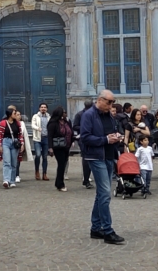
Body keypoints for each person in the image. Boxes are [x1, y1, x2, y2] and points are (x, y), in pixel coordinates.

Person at [79, 90, 126, 245]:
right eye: (109, 102)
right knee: (106, 194)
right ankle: (107, 230)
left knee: (101, 194)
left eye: (113, 102)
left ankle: (95, 228)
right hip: (96, 156)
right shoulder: (88, 115)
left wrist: (117, 136)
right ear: (100, 100)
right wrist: (105, 140)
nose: (111, 105)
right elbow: (85, 137)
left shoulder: (109, 115)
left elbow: (112, 131)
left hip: (108, 156)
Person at [47, 106, 73, 192]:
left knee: (64, 164)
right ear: (60, 114)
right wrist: (50, 148)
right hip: (58, 146)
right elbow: (50, 136)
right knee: (61, 164)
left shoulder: (67, 122)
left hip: (67, 146)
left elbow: (70, 132)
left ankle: (58, 182)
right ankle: (60, 184)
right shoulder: (53, 123)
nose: (65, 114)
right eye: (64, 112)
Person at [0, 106, 23, 189]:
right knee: (7, 162)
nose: (16, 115)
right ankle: (6, 180)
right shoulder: (3, 123)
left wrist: (22, 144)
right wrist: (0, 145)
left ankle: (12, 180)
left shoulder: (17, 123)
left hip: (15, 143)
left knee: (14, 163)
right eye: (14, 113)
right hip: (6, 142)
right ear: (10, 114)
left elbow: (20, 134)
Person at [73, 100, 93, 188]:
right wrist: (85, 128)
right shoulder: (79, 114)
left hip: (92, 138)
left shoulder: (94, 115)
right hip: (83, 138)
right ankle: (86, 180)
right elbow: (75, 126)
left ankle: (87, 178)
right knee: (86, 158)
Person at [31, 103, 50, 181]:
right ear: (39, 108)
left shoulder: (49, 117)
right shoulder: (35, 116)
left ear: (47, 109)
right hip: (37, 138)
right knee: (38, 155)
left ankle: (44, 174)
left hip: (46, 138)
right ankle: (37, 171)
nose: (43, 108)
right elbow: (32, 125)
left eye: (45, 107)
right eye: (42, 107)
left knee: (45, 157)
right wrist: (38, 128)